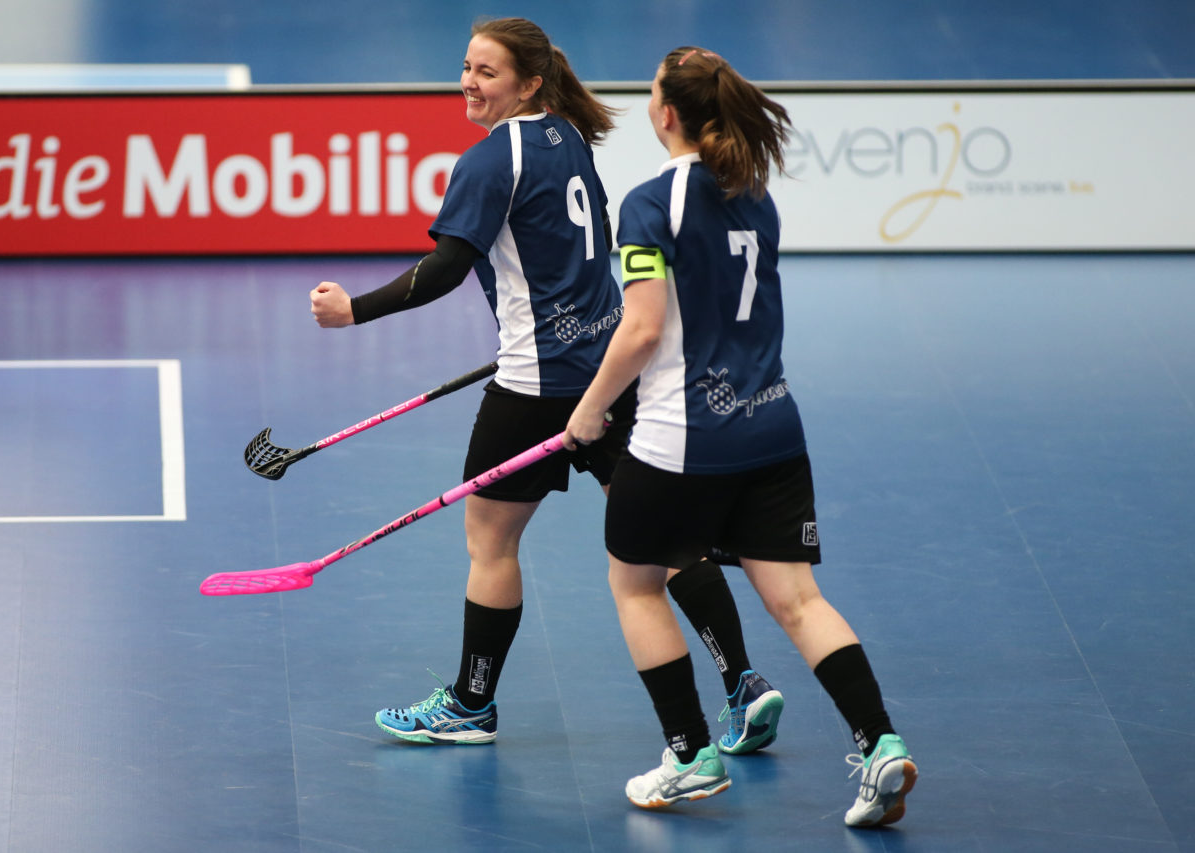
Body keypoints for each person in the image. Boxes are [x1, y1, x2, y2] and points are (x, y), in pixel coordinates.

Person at [310, 19, 783, 755]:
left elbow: (444, 269)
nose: (469, 83)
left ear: (529, 82)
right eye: (466, 67)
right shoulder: (567, 136)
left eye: (487, 72)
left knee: (490, 540)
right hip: (610, 373)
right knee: (666, 534)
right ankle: (743, 684)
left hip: (535, 388)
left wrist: (354, 311)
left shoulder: (488, 161)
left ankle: (471, 704)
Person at [563, 47, 916, 824]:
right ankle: (881, 743)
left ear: (666, 114)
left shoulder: (650, 203)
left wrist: (589, 410)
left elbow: (642, 329)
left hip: (683, 438)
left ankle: (691, 753)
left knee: (635, 582)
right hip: (773, 430)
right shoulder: (756, 194)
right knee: (800, 601)